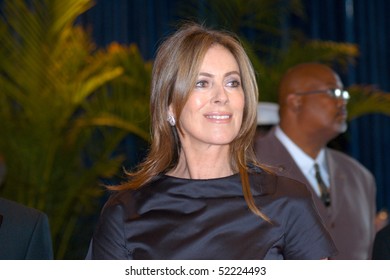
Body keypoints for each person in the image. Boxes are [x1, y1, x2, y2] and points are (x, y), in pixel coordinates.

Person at [86, 23, 337, 260]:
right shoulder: (125, 212)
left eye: (232, 83)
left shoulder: (287, 201)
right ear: (169, 107)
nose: (221, 97)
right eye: (202, 83)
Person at [254, 62, 377, 259]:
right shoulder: (246, 167)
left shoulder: (360, 177)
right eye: (333, 93)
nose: (343, 102)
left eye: (344, 95)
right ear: (295, 102)